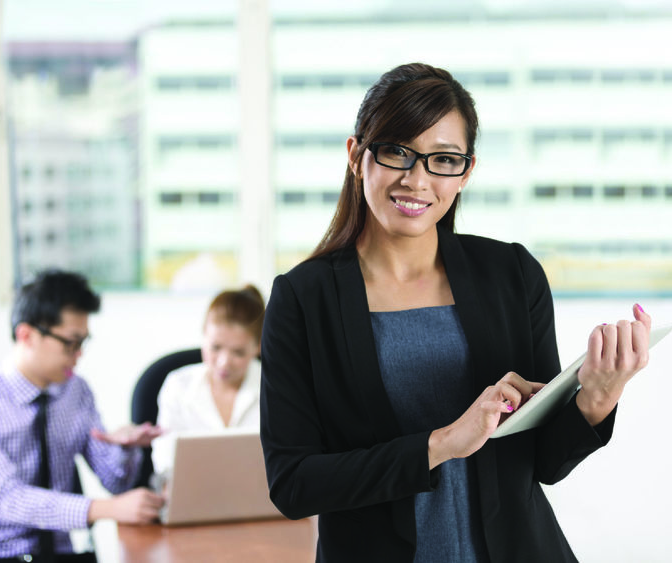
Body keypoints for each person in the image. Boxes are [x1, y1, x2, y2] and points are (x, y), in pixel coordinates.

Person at [259, 63, 652, 563]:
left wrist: (598, 394)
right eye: (397, 151)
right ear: (357, 156)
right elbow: (293, 485)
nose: (417, 180)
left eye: (443, 159)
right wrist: (441, 443)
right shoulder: (302, 298)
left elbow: (544, 464)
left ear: (465, 172)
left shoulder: (511, 274)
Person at [0, 270, 165, 563]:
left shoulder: (77, 392)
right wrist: (107, 509)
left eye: (83, 342)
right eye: (70, 343)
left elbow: (116, 484)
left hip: (60, 555)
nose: (78, 355)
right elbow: (10, 499)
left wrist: (123, 449)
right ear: (27, 335)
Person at [150, 284, 265, 478]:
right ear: (203, 334)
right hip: (192, 499)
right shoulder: (178, 386)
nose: (224, 362)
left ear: (259, 346)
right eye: (215, 347)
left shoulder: (277, 387)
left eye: (238, 352)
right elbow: (165, 462)